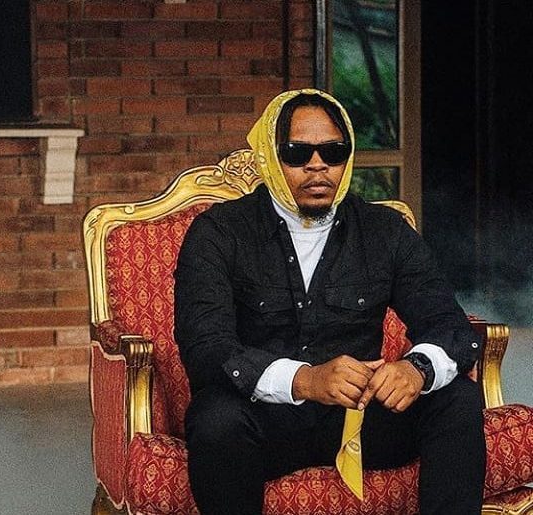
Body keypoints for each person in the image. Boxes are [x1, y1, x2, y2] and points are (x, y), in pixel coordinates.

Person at [174, 88, 486, 515]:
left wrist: (417, 369)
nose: (317, 165)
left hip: (359, 417)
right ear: (269, 156)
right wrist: (305, 380)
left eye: (333, 152)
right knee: (215, 419)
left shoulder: (384, 230)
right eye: (298, 152)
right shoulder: (218, 233)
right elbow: (206, 348)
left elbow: (451, 327)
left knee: (457, 399)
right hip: (264, 422)